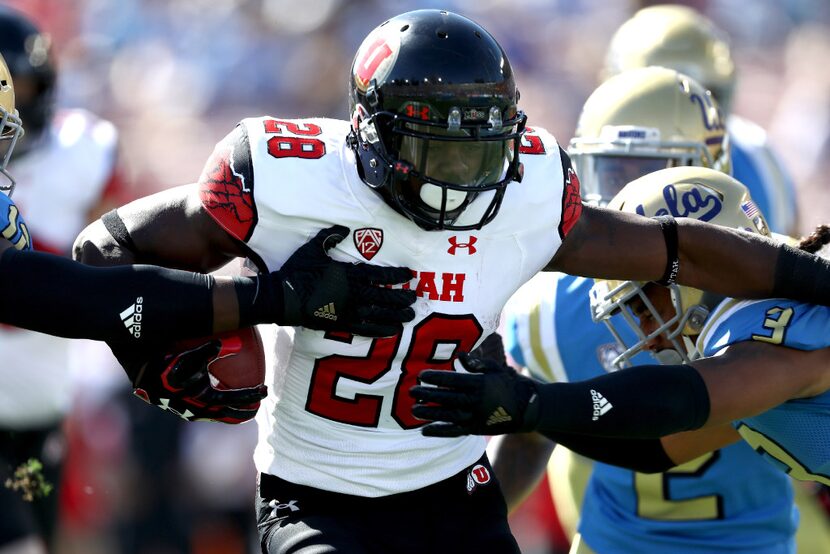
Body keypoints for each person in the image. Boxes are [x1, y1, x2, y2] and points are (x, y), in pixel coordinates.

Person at [73, 9, 830, 553]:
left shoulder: (531, 193)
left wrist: (813, 275)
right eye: (439, 151)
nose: (462, 180)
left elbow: (676, 252)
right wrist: (146, 360)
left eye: (480, 151)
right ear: (372, 131)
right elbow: (105, 249)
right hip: (318, 498)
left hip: (449, 494)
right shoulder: (288, 178)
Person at [489, 66, 800, 554]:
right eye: (612, 172)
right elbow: (529, 442)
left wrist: (535, 408)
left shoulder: (781, 319)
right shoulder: (550, 309)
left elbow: (660, 433)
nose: (628, 199)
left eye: (655, 170)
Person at [411, 167, 830, 494]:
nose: (647, 335)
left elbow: (678, 401)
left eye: (643, 309)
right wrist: (529, 410)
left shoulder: (763, 335)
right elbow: (654, 450)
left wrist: (535, 402)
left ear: (690, 284)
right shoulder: (766, 323)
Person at [603, 3, 800, 237]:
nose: (680, 114)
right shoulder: (757, 152)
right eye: (659, 98)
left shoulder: (755, 154)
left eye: (698, 96)